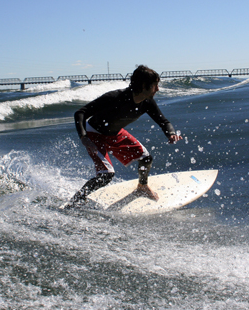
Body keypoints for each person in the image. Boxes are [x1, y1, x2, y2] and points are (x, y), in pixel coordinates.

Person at [64, 65, 183, 208]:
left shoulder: (147, 102)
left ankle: (142, 187)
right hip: (94, 134)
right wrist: (84, 137)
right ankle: (75, 201)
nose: (157, 89)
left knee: (146, 158)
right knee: (106, 175)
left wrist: (171, 134)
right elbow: (80, 113)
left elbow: (163, 121)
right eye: (155, 85)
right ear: (144, 85)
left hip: (115, 134)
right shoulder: (114, 98)